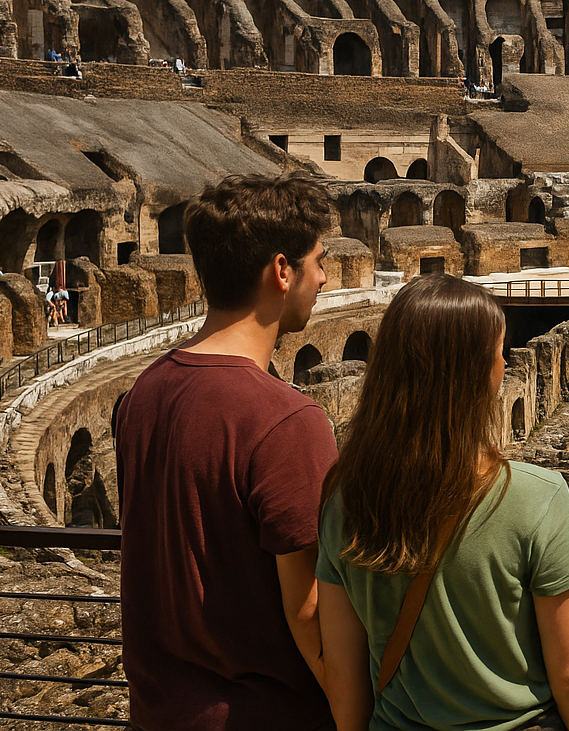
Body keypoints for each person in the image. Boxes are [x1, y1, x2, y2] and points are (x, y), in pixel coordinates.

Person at [317, 275, 569, 731]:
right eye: (499, 351)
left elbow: (343, 668)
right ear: (477, 374)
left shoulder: (343, 500)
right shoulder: (537, 497)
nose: (505, 362)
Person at [114, 175, 336, 731]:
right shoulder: (287, 421)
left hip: (160, 712)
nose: (327, 278)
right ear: (282, 271)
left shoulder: (144, 391)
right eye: (319, 261)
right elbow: (309, 611)